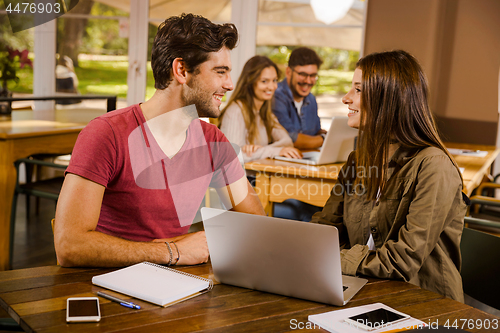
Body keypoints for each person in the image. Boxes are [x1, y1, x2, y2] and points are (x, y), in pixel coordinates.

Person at [54, 13, 265, 268]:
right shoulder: (106, 134)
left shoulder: (214, 143)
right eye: (220, 72)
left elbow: (256, 224)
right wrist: (172, 251)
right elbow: (69, 245)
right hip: (107, 289)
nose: (230, 84)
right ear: (181, 70)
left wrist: (201, 242)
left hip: (178, 288)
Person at [310, 50, 467, 302]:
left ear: (389, 99)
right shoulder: (356, 161)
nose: (346, 98)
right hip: (365, 290)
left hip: (424, 304)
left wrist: (328, 258)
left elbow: (402, 260)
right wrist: (305, 247)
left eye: (359, 90)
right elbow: (325, 229)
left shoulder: (434, 166)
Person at [219, 55, 301, 164]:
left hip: (259, 176)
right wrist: (271, 151)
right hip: (242, 180)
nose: (272, 87)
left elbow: (287, 142)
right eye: (264, 81)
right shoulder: (236, 111)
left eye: (274, 80)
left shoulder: (265, 113)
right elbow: (233, 157)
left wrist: (260, 150)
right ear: (250, 82)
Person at [272, 47, 326, 149]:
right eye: (303, 74)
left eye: (313, 75)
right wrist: (323, 139)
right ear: (288, 72)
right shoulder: (276, 96)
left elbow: (316, 132)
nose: (308, 81)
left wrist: (330, 135)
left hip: (306, 159)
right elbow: (291, 139)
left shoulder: (311, 99)